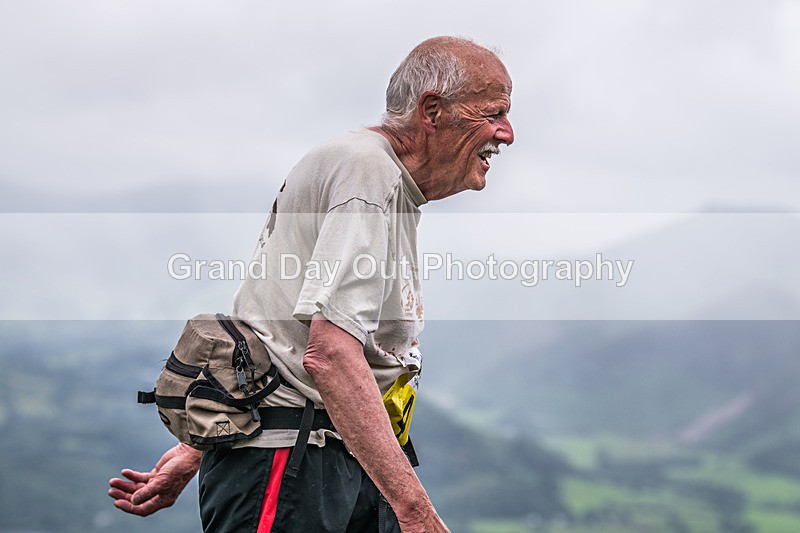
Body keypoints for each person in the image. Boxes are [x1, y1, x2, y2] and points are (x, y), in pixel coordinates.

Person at [109, 35, 514, 533]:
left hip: (324, 456)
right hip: (298, 460)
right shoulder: (367, 173)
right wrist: (417, 515)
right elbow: (330, 355)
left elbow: (272, 321)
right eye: (493, 113)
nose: (508, 133)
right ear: (431, 110)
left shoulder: (371, 174)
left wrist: (197, 449)